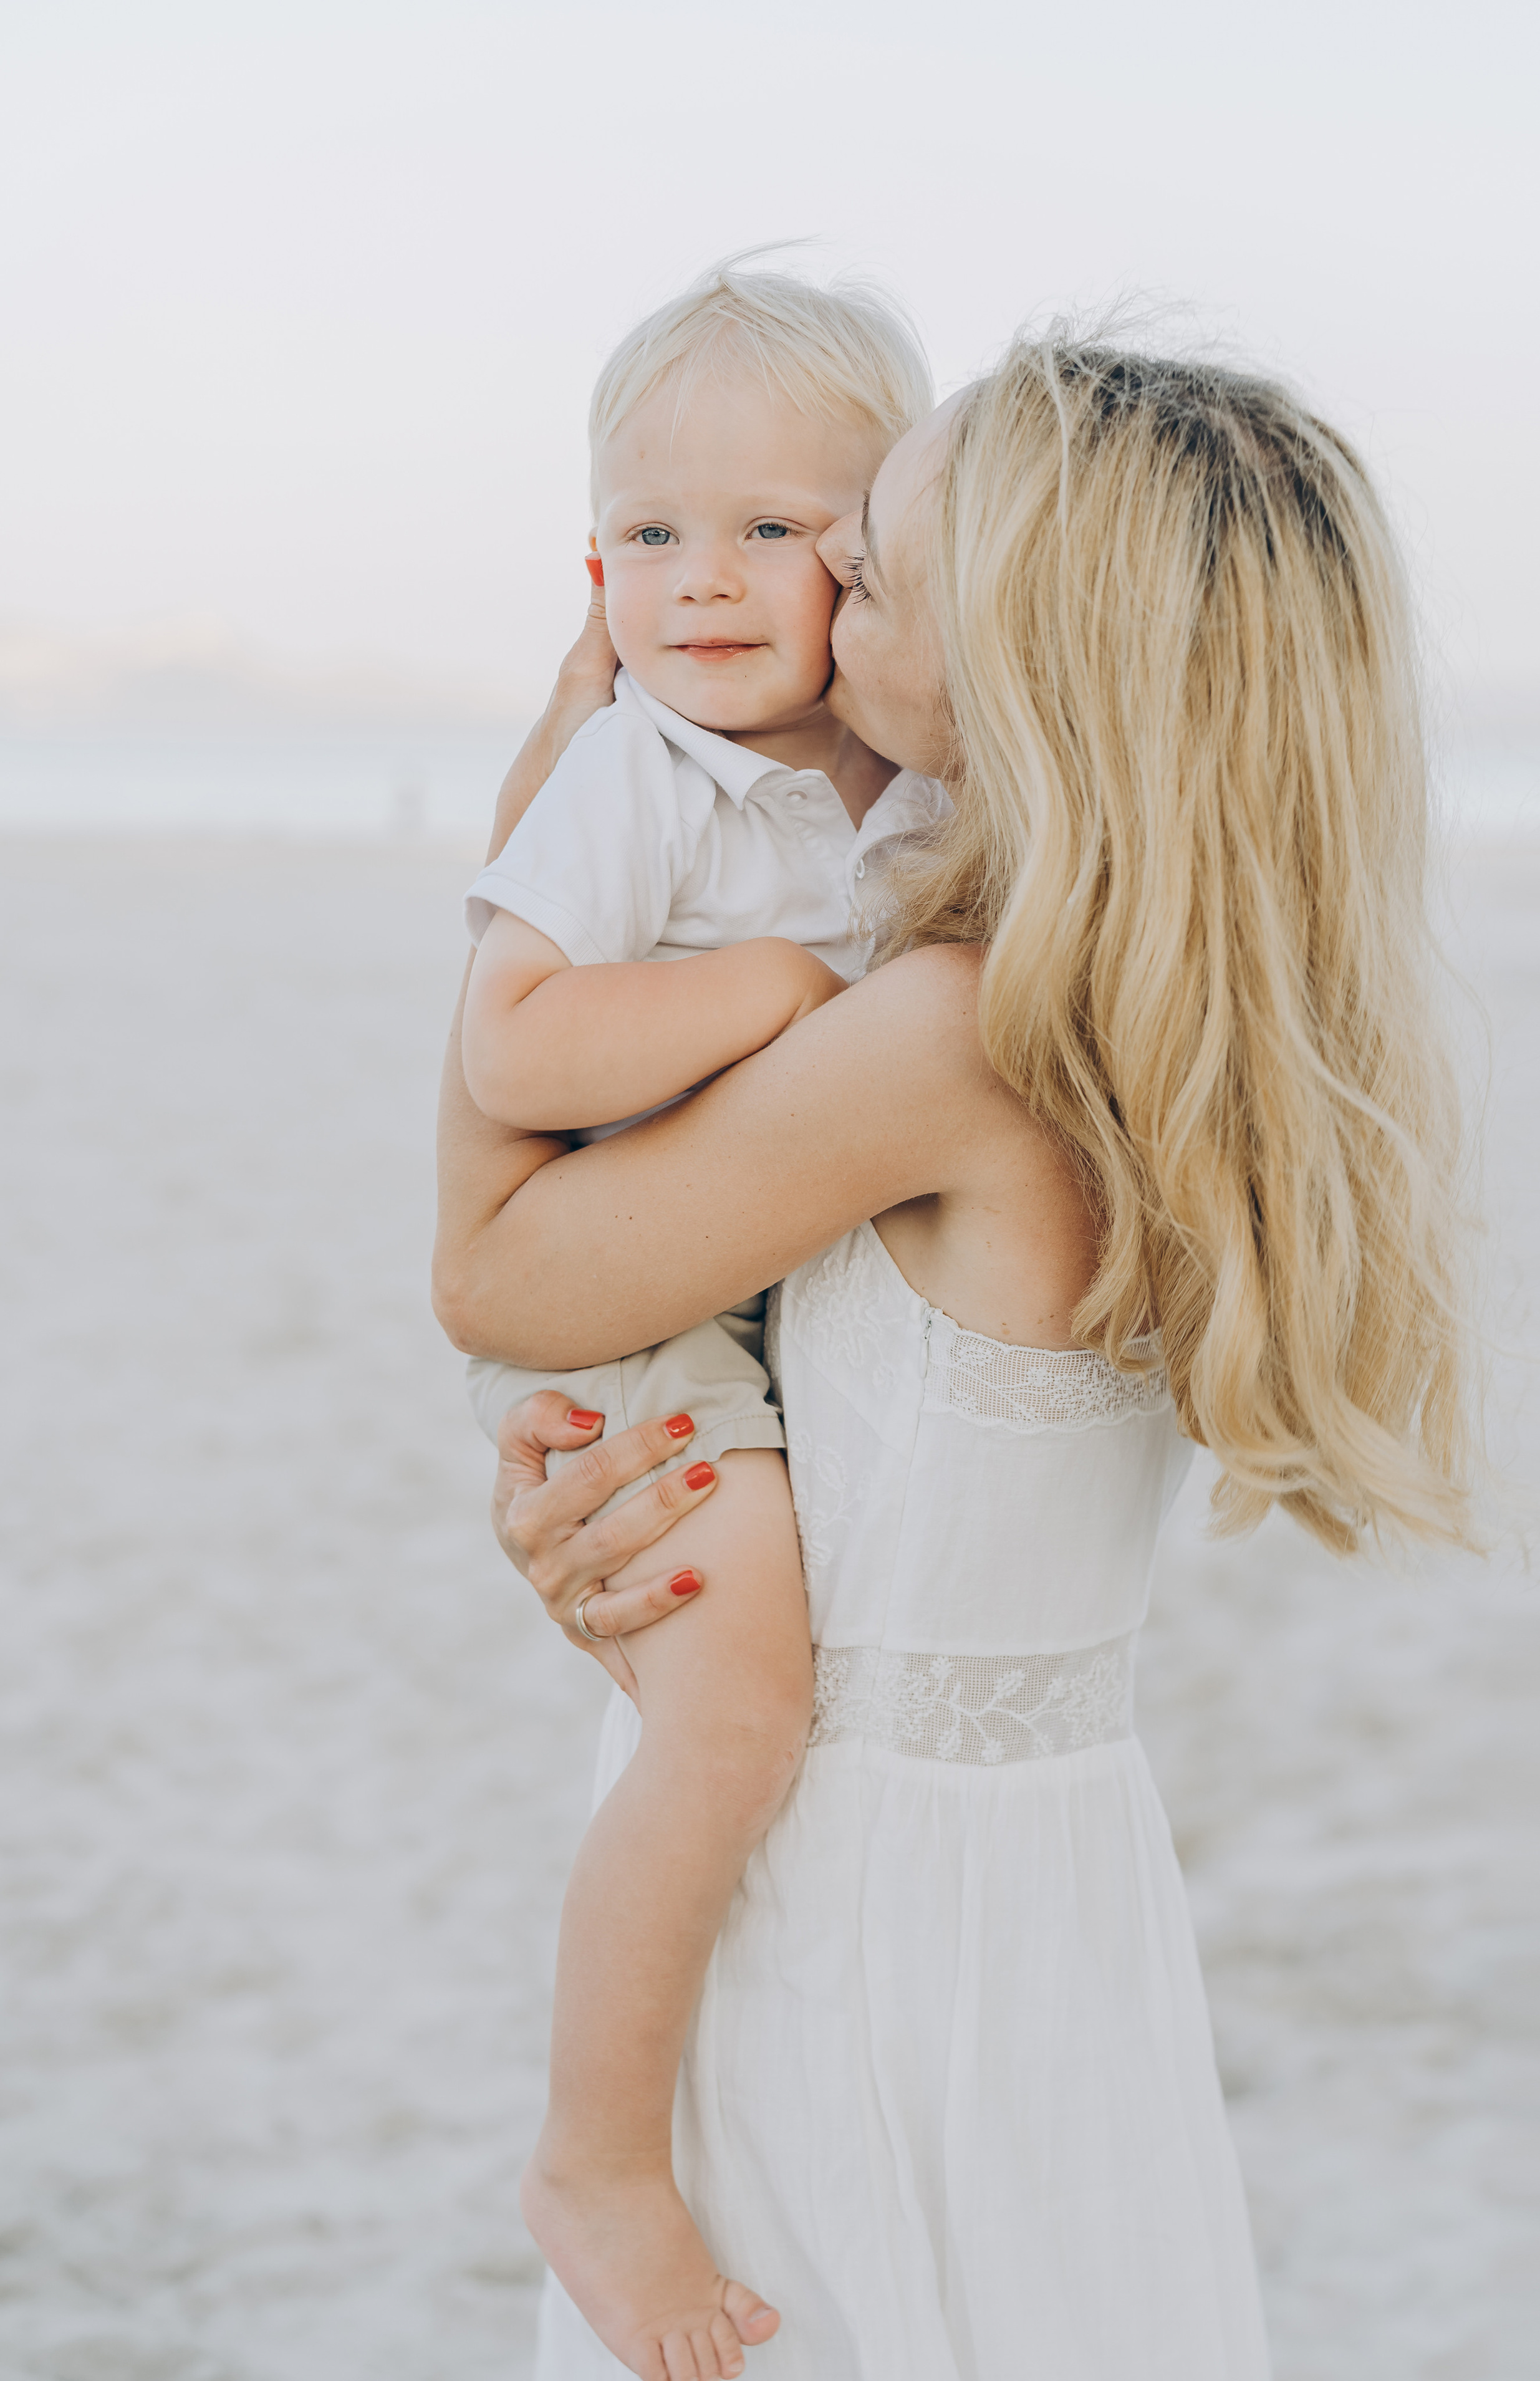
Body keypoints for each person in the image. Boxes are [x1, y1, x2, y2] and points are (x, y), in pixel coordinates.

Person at [435, 330, 1477, 2381]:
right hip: (1059, 1890)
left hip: (851, 1912)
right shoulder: (1174, 1018)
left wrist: (529, 850)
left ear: (1017, 661)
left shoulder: (946, 1039)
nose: (820, 597)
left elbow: (497, 1273)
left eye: (875, 569)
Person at [455, 262, 941, 2379]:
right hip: (636, 1322)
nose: (708, 580)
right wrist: (771, 995)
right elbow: (515, 1046)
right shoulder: (638, 774)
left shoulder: (908, 788)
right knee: (735, 1713)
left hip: (782, 1296)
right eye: (653, 534)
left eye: (774, 529)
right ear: (593, 569)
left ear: (886, 560)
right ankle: (596, 2160)